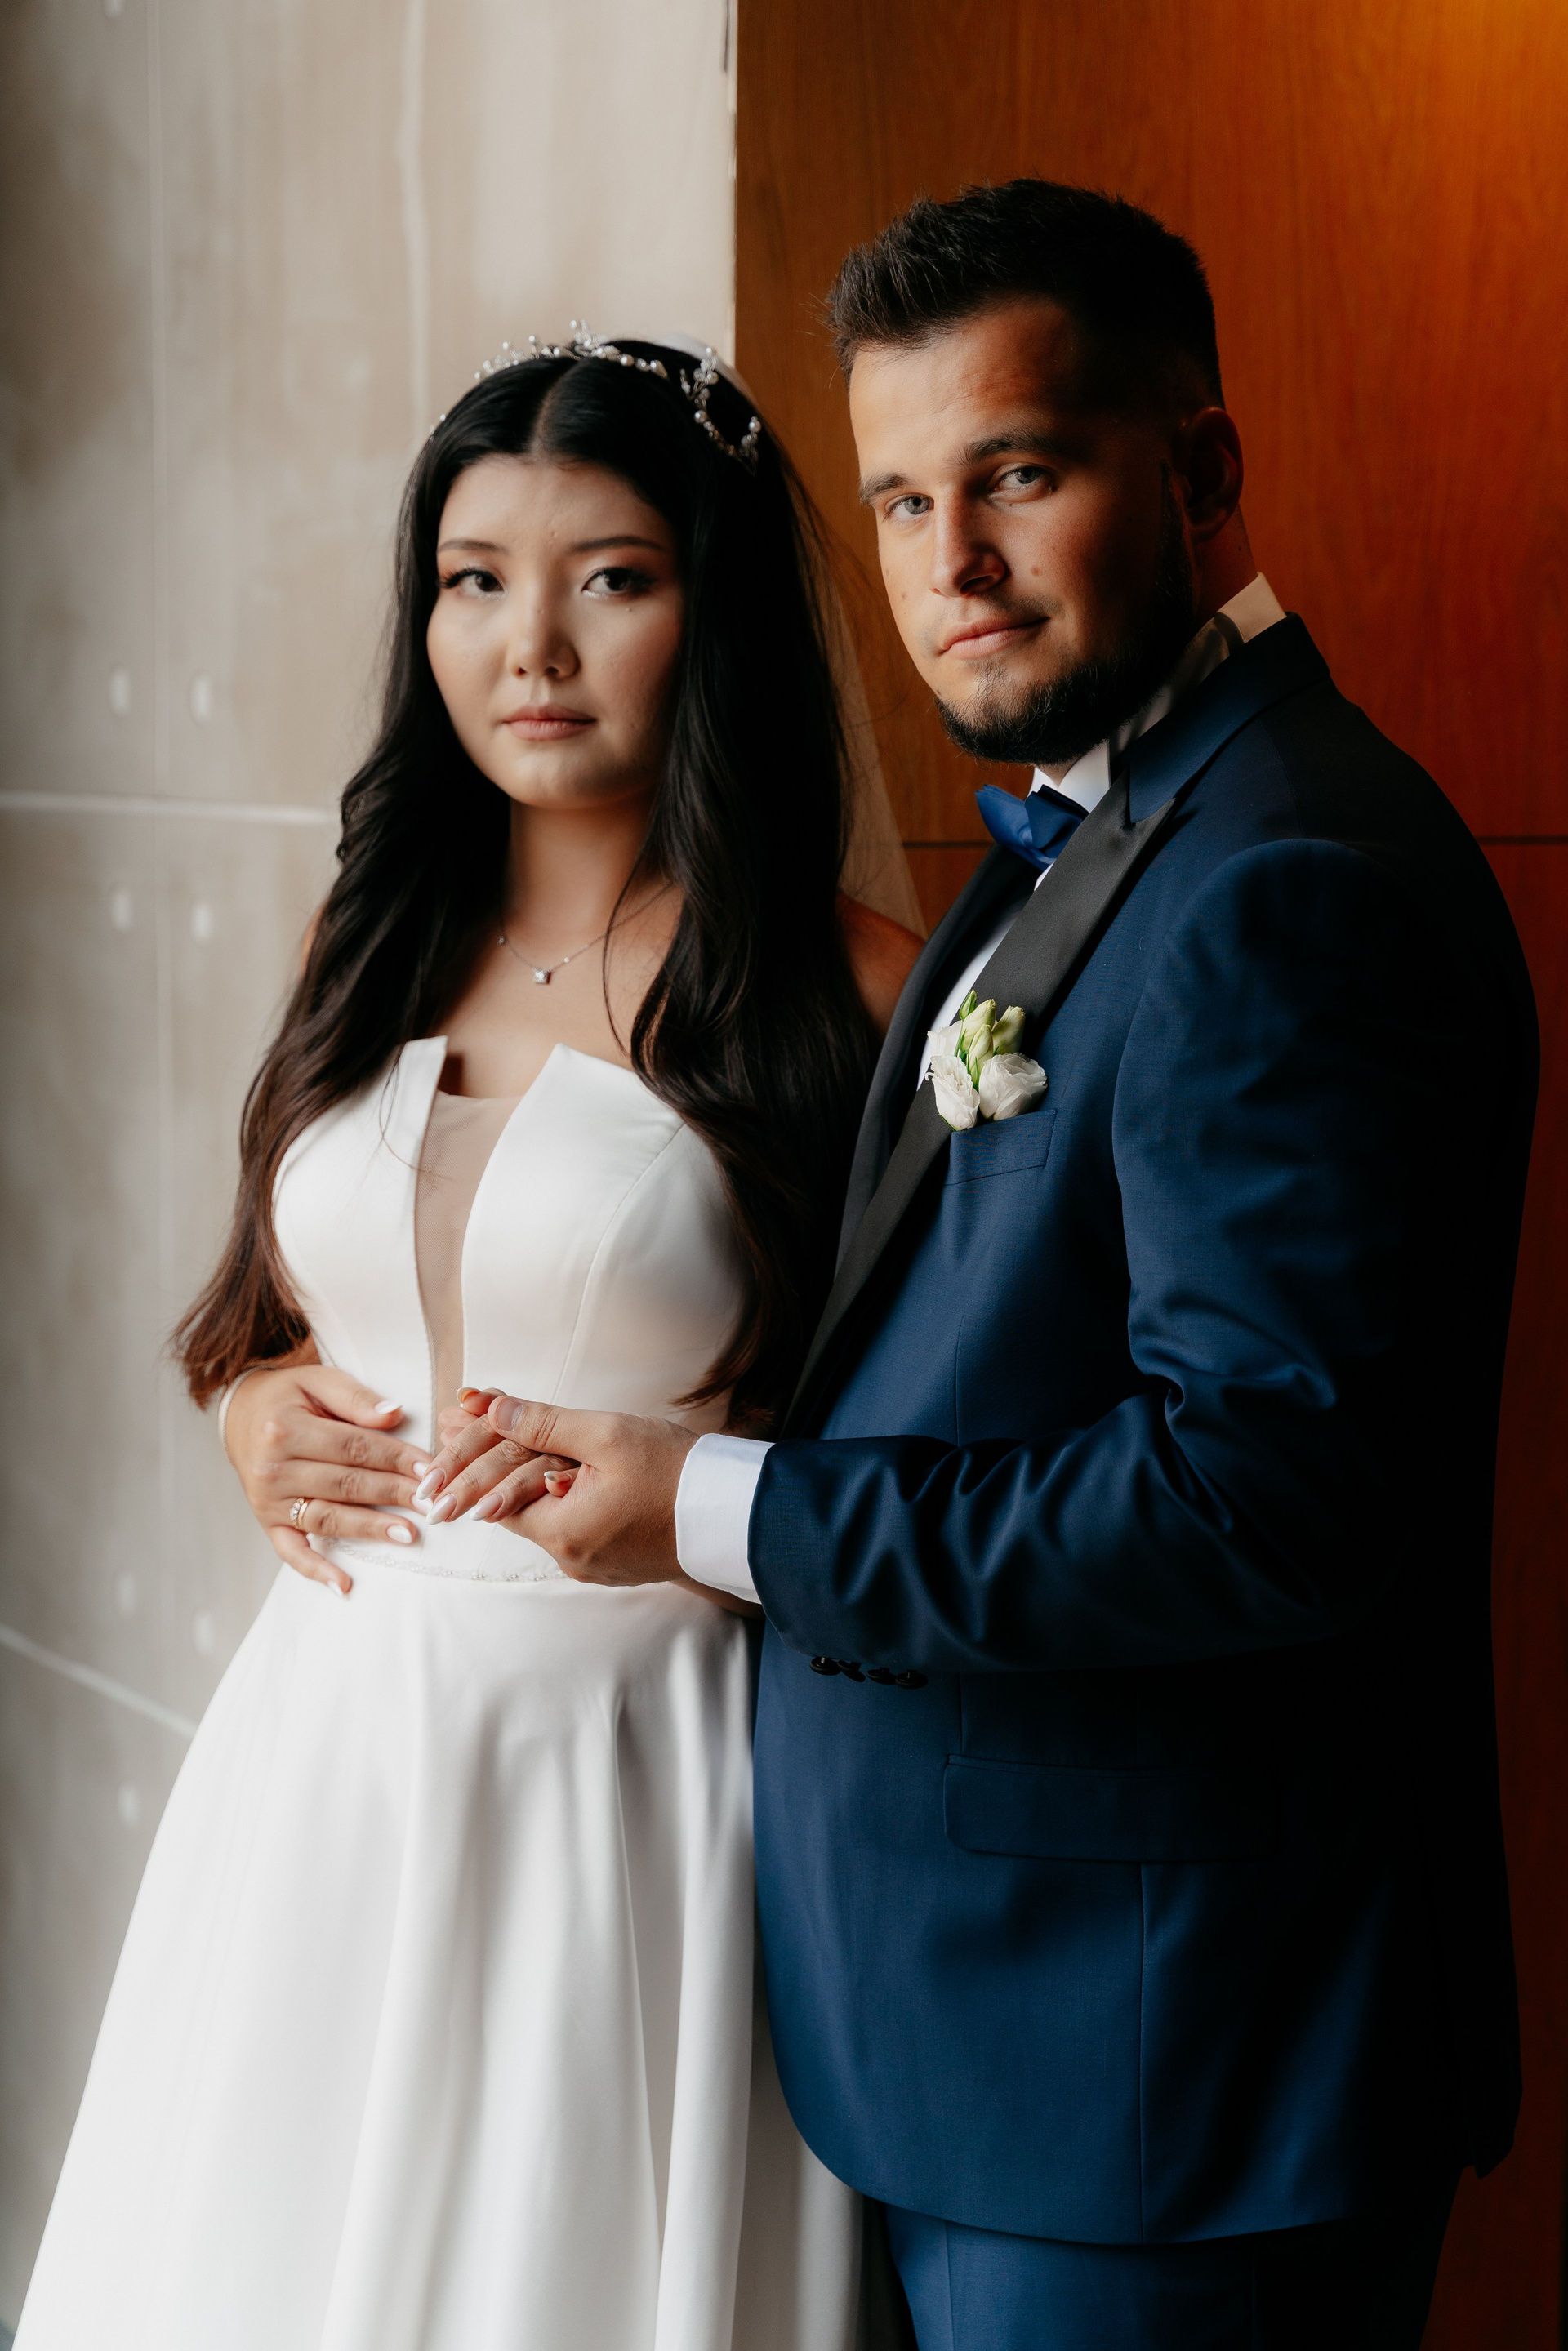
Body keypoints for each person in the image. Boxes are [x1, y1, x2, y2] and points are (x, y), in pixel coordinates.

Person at [422, 186, 1539, 2349]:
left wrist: (718, 1509)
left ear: (1201, 472)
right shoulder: (1107, 828)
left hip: (1163, 2079)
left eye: (1017, 475)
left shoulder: (1284, 877)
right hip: (1008, 2047)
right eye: (903, 500)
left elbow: (1254, 1500)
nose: (953, 566)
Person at [16, 330, 922, 2351]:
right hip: (329, 1742)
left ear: (712, 609)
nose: (533, 646)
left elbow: (942, 1446)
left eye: (612, 578)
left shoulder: (851, 992)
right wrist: (248, 1410)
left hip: (644, 1757)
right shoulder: (369, 939)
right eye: (473, 580)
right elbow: (291, 1309)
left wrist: (708, 1486)